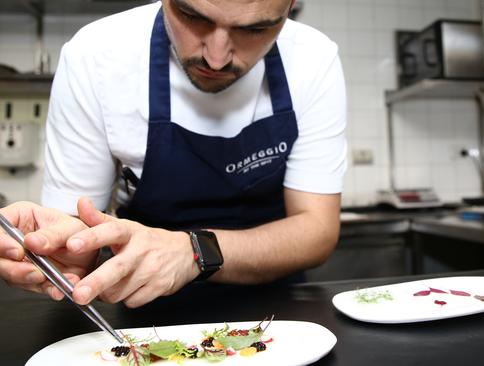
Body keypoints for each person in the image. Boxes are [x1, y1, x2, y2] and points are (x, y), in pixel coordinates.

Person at [0, 0, 346, 308]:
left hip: (280, 309)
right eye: (192, 16)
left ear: (291, 7)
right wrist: (58, 247)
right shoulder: (96, 57)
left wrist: (194, 252)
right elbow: (76, 240)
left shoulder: (313, 58)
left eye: (254, 29)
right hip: (146, 308)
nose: (216, 55)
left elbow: (317, 231)